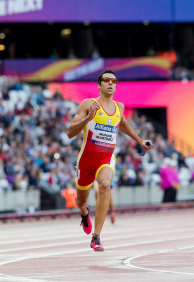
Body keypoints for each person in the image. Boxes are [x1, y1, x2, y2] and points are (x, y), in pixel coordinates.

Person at [67, 70, 153, 252]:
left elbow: (122, 123)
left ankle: (96, 236)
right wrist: (88, 118)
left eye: (113, 80)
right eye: (106, 80)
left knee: (105, 185)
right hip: (85, 160)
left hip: (105, 157)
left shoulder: (119, 107)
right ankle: (84, 214)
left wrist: (140, 141)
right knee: (80, 201)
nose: (110, 83)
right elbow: (70, 132)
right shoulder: (88, 104)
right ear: (99, 84)